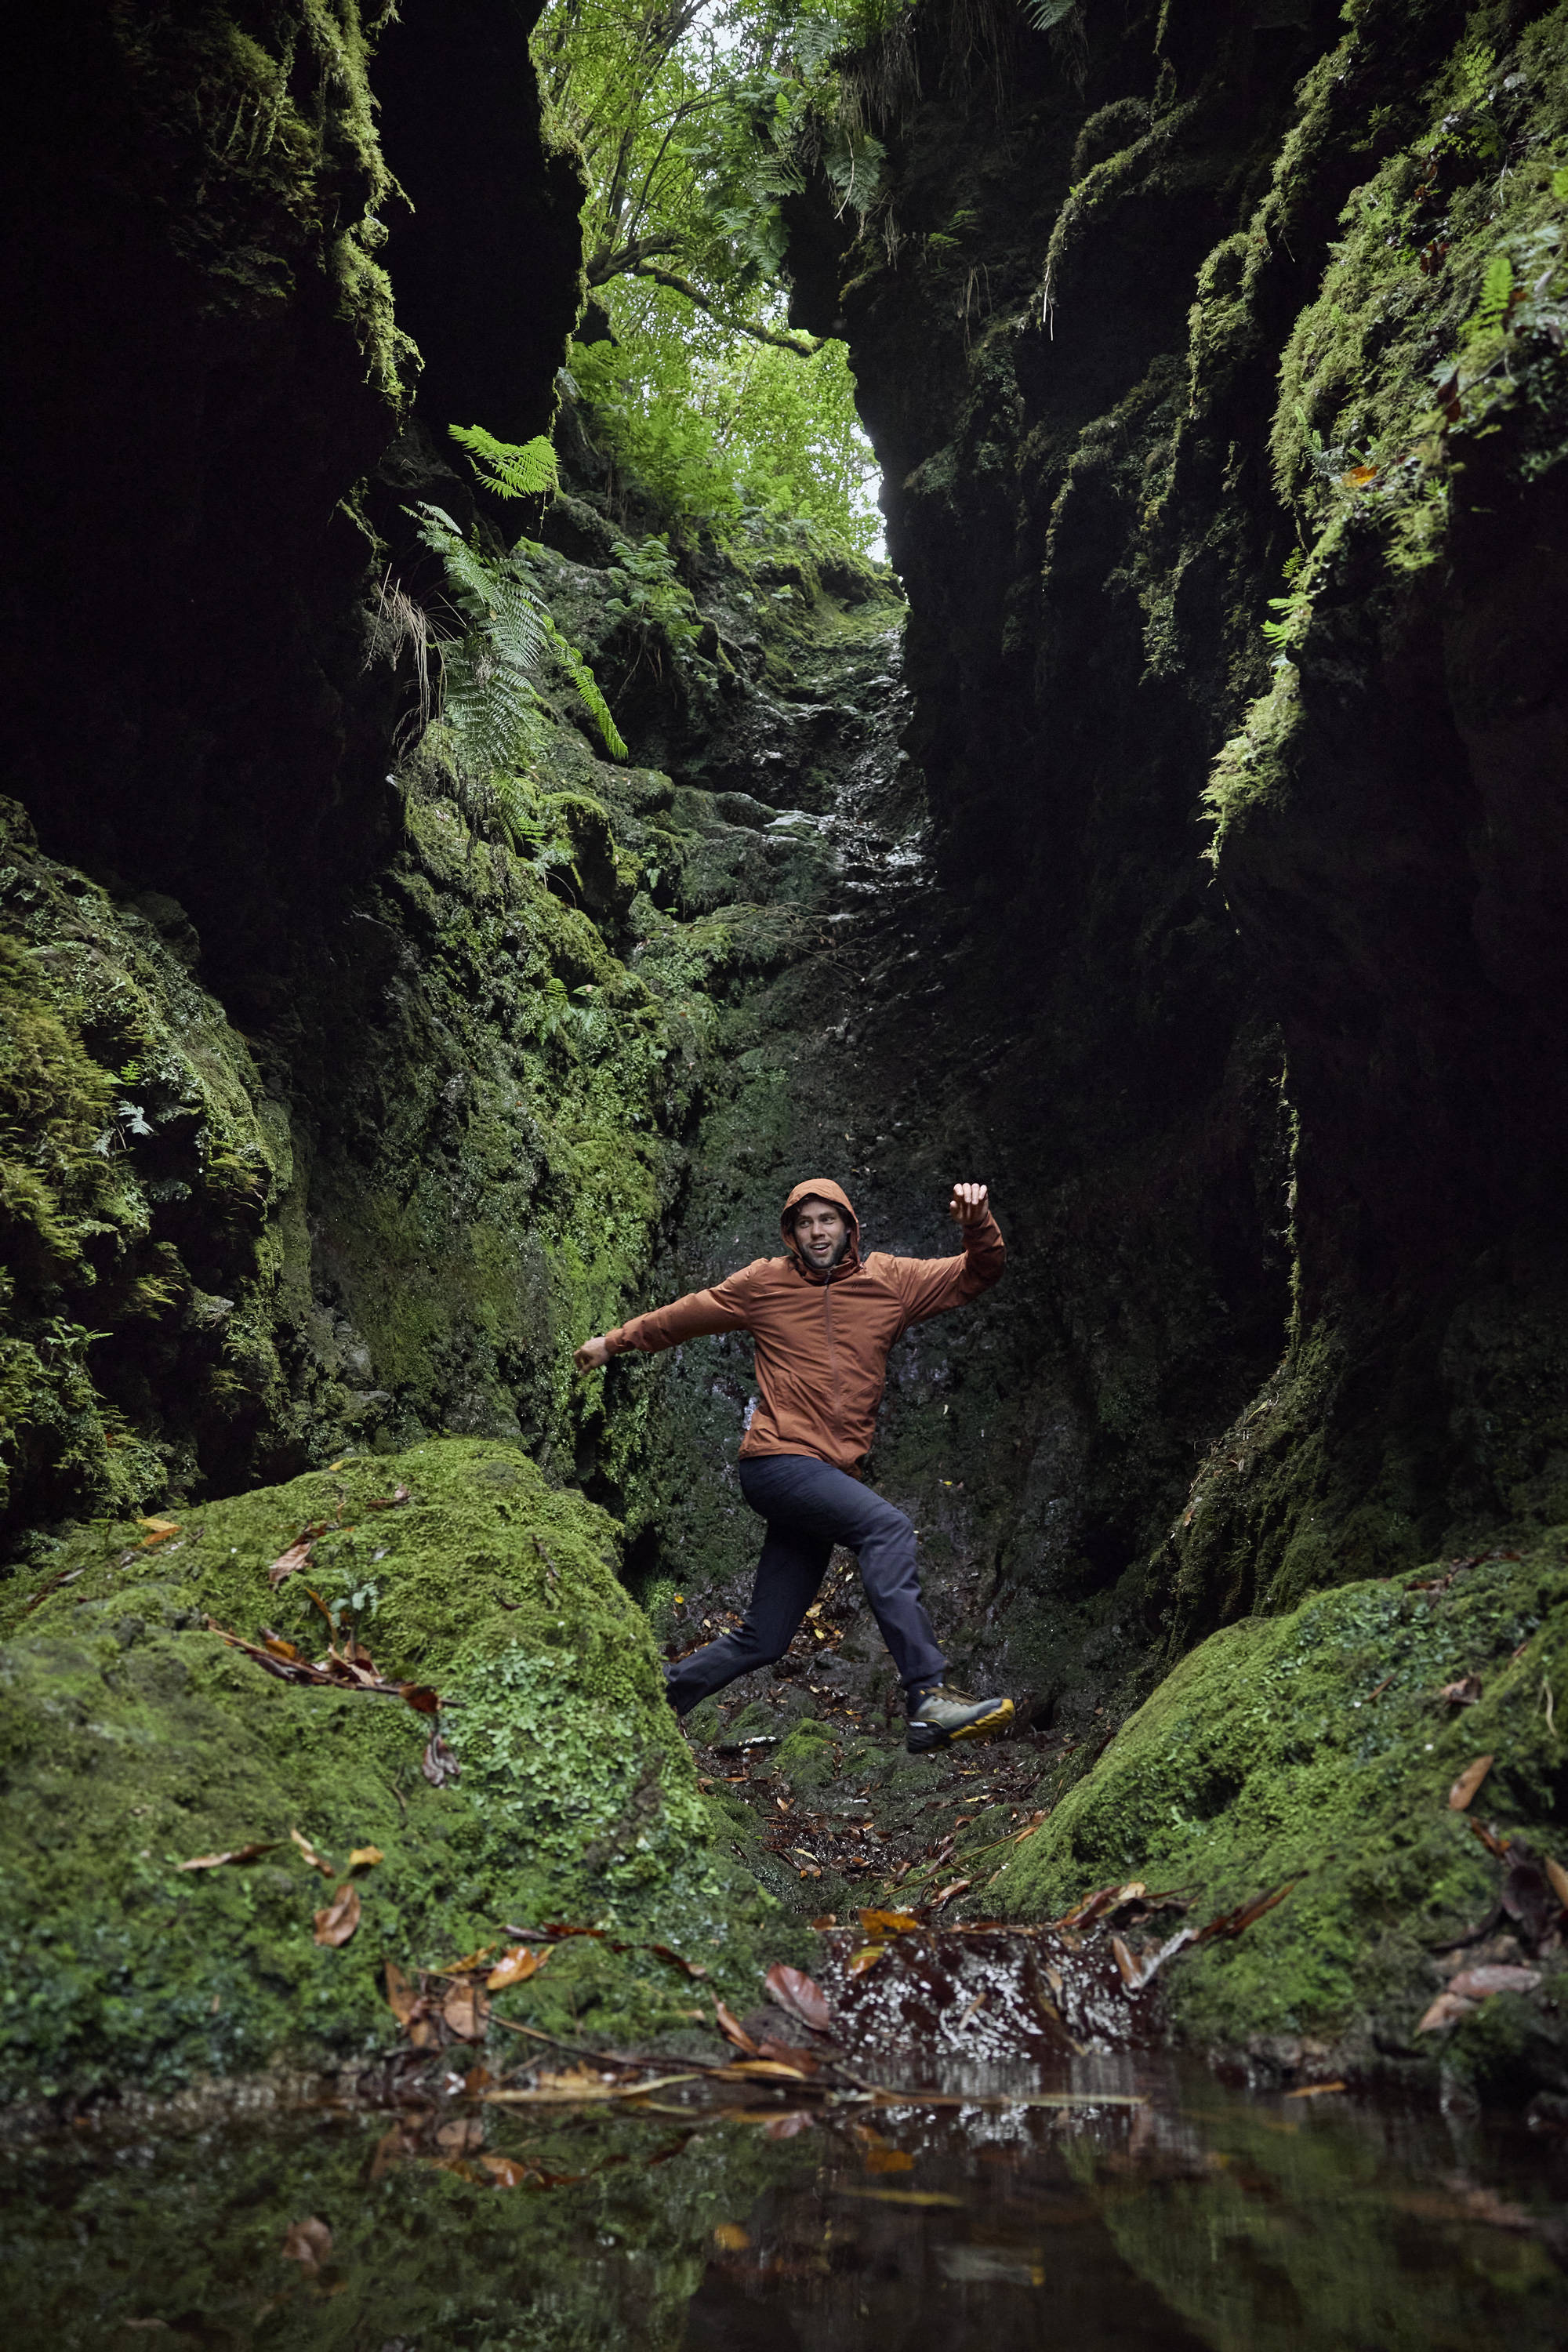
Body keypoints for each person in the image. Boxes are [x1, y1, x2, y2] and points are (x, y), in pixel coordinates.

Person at [574, 1178, 1014, 1752]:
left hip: (826, 1479)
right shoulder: (765, 1284)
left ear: (848, 1226)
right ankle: (926, 1695)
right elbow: (686, 1316)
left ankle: (648, 1704)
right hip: (778, 1463)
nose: (816, 1232)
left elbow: (979, 1272)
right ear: (791, 1232)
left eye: (827, 1220)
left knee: (766, 1636)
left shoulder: (892, 1282)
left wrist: (976, 1221)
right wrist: (613, 1341)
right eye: (805, 1223)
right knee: (887, 1528)